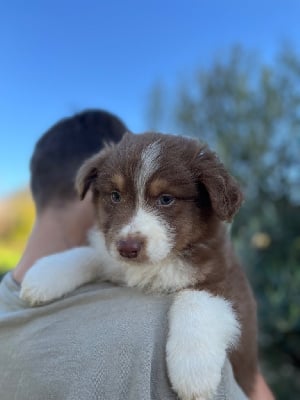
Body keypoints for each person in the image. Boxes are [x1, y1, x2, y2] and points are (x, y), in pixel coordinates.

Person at [0, 109, 274, 400]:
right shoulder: (143, 338)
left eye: (166, 199)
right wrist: (83, 263)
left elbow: (218, 297)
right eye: (116, 197)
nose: (129, 234)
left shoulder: (205, 266)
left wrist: (197, 317)